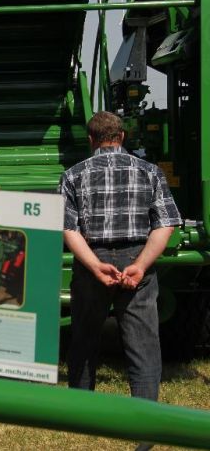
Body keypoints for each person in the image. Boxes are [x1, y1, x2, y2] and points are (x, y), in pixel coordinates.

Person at [59, 111, 182, 401]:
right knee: (143, 346)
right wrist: (140, 265)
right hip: (136, 256)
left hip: (92, 260)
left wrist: (94, 265)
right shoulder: (150, 171)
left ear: (91, 139)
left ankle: (80, 410)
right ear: (122, 136)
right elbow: (166, 223)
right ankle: (144, 418)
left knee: (84, 340)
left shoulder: (72, 175)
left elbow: (67, 227)